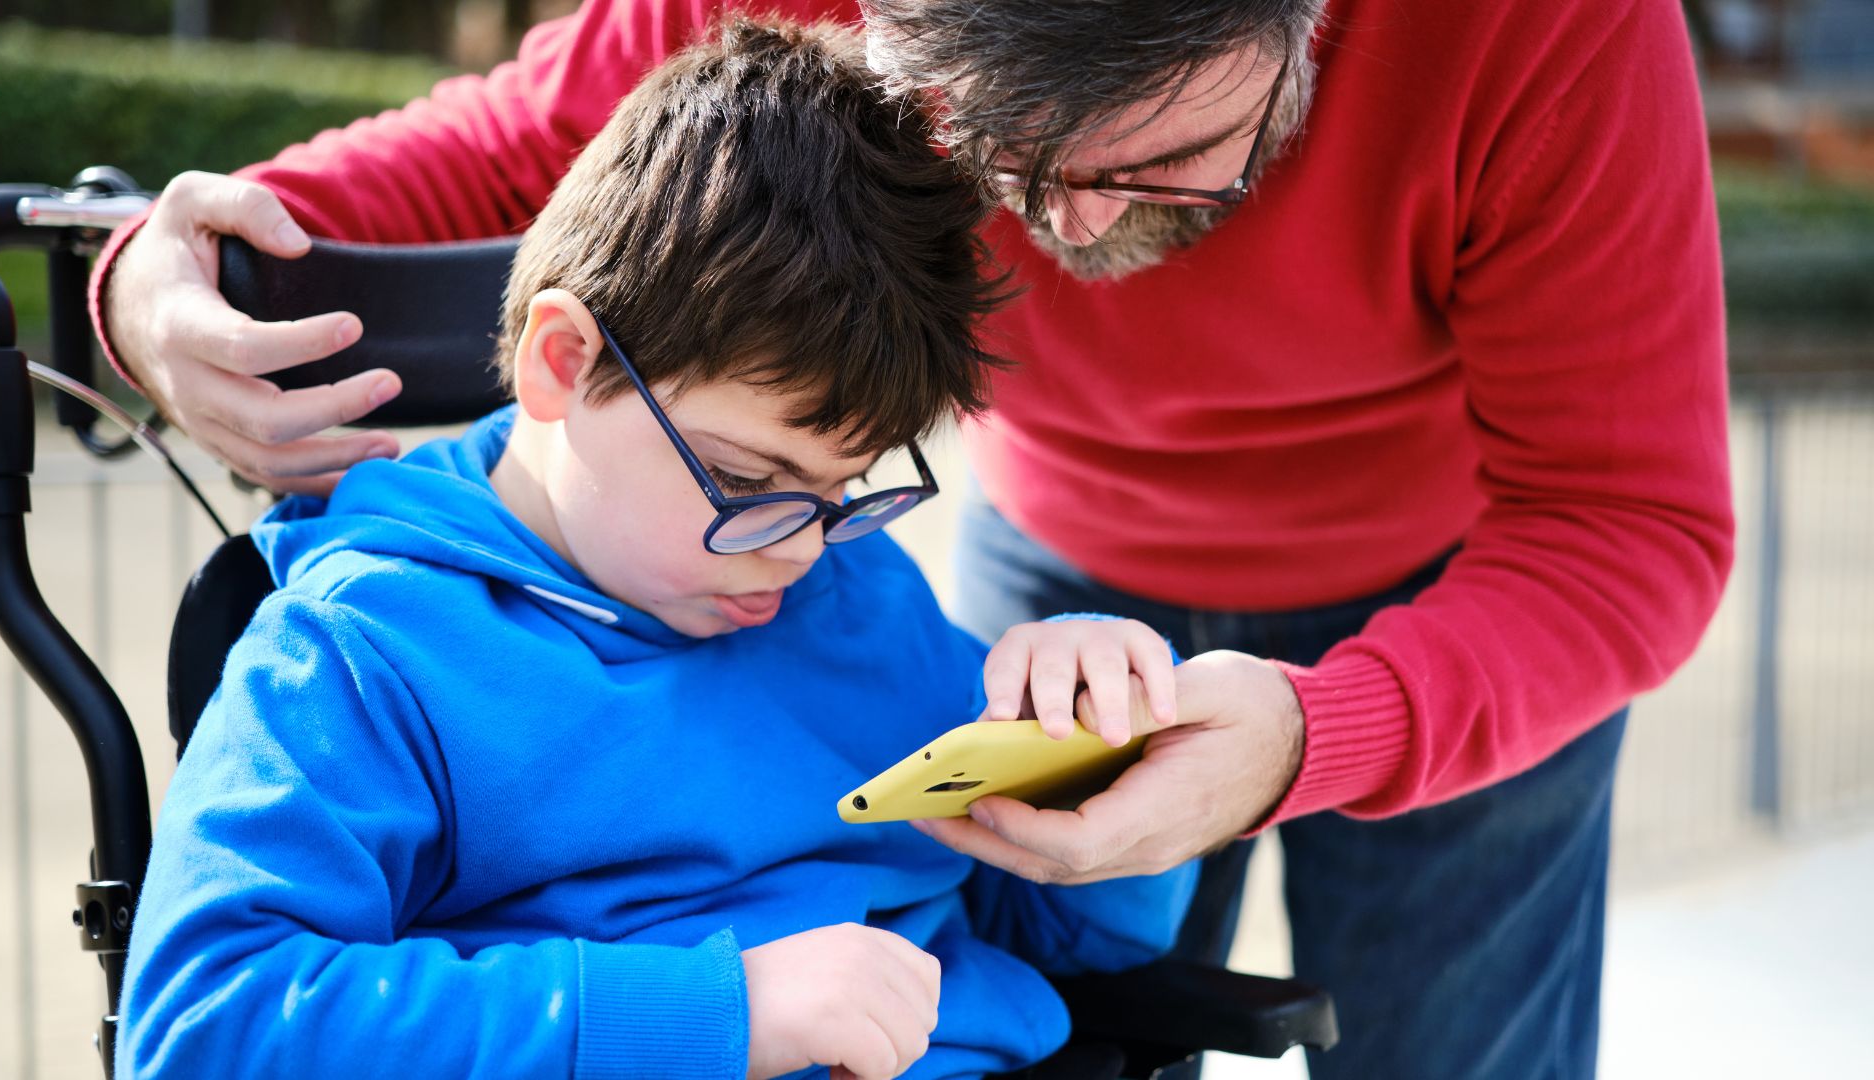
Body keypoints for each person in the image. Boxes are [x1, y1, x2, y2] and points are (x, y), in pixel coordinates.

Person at [92, 1, 1736, 1076]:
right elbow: (535, 137)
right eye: (997, 155)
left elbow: (1627, 523)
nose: (1073, 230)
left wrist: (1281, 739)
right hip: (1064, 546)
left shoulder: (833, 579)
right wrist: (156, 278)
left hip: (1464, 586)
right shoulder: (398, 654)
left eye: (1165, 156)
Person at [115, 21, 1200, 1080]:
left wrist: (1101, 748)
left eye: (841, 490)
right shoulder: (366, 652)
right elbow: (208, 1025)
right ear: (562, 360)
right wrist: (722, 1013)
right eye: (745, 480)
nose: (797, 554)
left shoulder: (854, 587)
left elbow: (1068, 939)